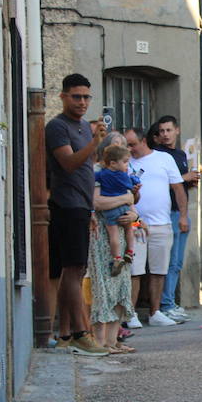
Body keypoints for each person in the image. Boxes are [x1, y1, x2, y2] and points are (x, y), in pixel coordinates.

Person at [45, 73, 114, 357]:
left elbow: (87, 170)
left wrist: (91, 210)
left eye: (86, 97)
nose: (82, 102)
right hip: (66, 205)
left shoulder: (85, 127)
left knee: (73, 271)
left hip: (82, 206)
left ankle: (65, 334)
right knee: (73, 270)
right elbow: (69, 163)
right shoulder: (57, 126)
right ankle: (80, 333)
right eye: (76, 96)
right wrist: (95, 143)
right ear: (63, 96)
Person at [127, 127, 187, 326]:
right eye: (127, 145)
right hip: (135, 225)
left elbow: (178, 188)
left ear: (144, 141)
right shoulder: (125, 162)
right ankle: (131, 313)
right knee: (134, 270)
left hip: (161, 223)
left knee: (159, 270)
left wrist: (183, 216)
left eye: (133, 144)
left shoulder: (164, 159)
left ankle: (155, 312)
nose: (130, 149)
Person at [89, 132, 137, 353]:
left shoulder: (125, 172)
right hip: (102, 235)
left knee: (121, 287)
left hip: (122, 234)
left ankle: (112, 340)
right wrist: (125, 199)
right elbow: (97, 202)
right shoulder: (98, 173)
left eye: (123, 146)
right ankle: (100, 342)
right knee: (104, 287)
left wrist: (134, 215)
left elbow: (133, 206)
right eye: (115, 145)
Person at [151, 115, 197, 322]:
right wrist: (184, 178)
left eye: (169, 130)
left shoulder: (180, 154)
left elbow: (180, 185)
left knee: (177, 262)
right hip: (167, 214)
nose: (165, 135)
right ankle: (166, 304)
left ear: (177, 130)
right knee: (168, 262)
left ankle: (170, 302)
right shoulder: (158, 155)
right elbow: (162, 183)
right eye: (161, 131)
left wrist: (190, 182)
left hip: (181, 212)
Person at [94, 141, 139, 275]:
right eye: (125, 162)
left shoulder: (101, 174)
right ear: (113, 162)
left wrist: (135, 217)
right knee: (129, 230)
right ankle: (130, 251)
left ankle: (117, 258)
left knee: (113, 235)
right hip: (123, 208)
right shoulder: (123, 175)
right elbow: (130, 189)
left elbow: (93, 178)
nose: (127, 165)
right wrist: (134, 184)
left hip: (111, 212)